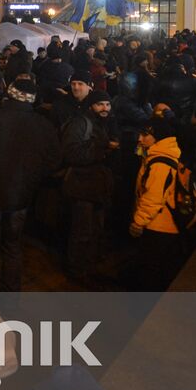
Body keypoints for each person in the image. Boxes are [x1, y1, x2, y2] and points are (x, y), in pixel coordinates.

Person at [0, 79, 61, 291]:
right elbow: (54, 160)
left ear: (8, 94)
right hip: (22, 197)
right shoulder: (43, 125)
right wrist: (33, 179)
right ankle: (11, 291)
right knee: (13, 245)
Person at [59, 91, 118, 284]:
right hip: (82, 185)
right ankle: (77, 271)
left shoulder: (105, 123)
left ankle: (89, 266)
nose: (105, 109)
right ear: (91, 106)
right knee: (82, 231)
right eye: (100, 104)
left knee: (95, 229)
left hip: (97, 185)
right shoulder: (81, 123)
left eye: (107, 105)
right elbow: (71, 153)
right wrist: (102, 149)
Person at [130, 118, 186, 290]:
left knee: (152, 271)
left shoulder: (160, 163)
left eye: (145, 135)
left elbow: (152, 198)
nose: (140, 139)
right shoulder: (157, 156)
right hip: (161, 223)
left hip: (160, 225)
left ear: (158, 137)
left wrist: (138, 221)